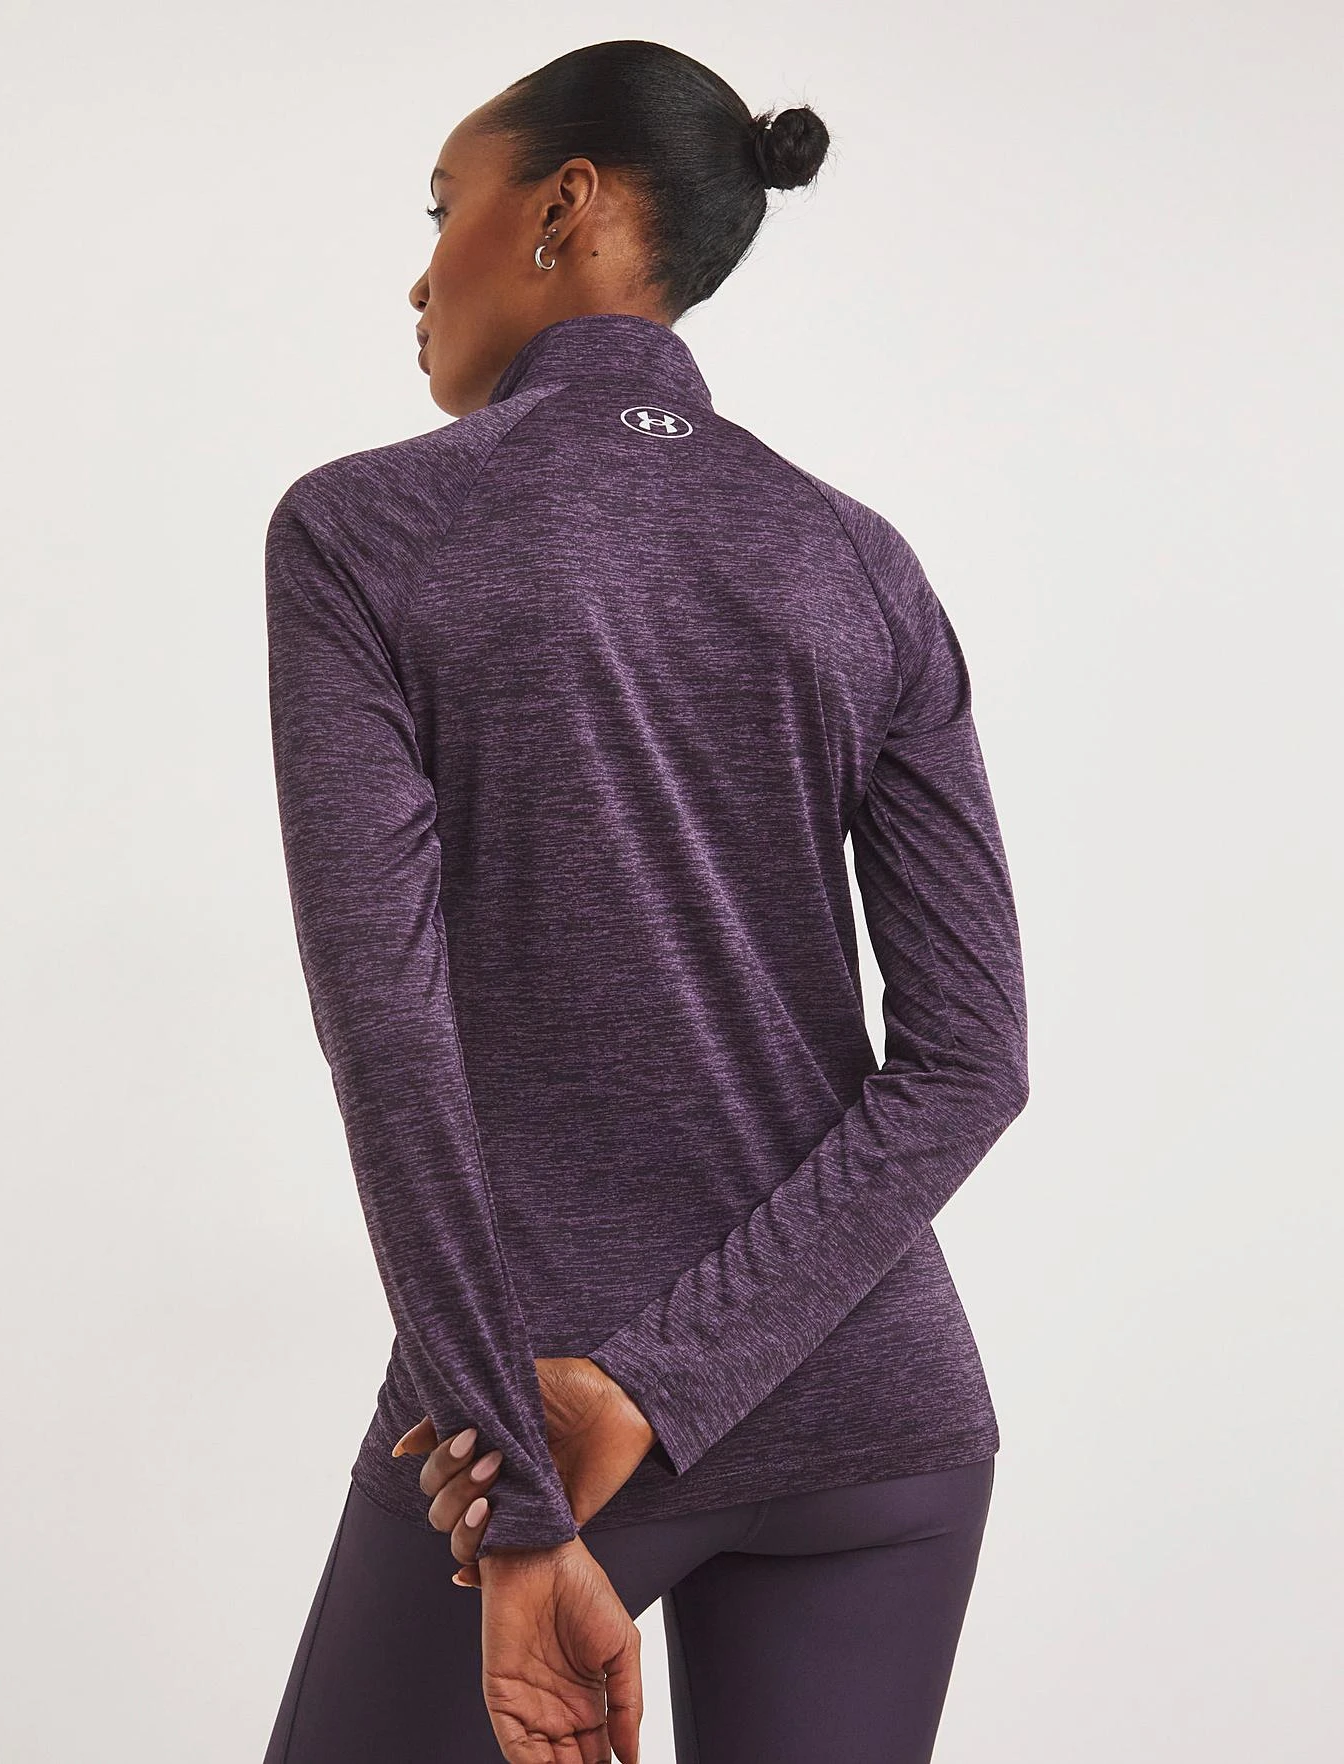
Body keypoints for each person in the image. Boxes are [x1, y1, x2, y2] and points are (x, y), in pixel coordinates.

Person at [260, 37, 1029, 1764]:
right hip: (874, 1418)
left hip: (530, 1416)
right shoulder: (858, 559)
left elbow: (391, 1038)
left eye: (443, 210)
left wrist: (527, 1484)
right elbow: (973, 1062)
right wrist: (671, 1385)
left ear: (567, 206)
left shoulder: (365, 532)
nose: (420, 273)